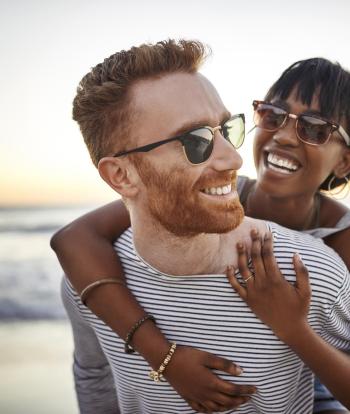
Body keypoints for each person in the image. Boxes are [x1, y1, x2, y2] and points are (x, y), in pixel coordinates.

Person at [53, 40, 350, 414]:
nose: (233, 157)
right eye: (273, 117)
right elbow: (73, 239)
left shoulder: (327, 260)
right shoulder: (224, 192)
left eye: (315, 128)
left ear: (344, 162)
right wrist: (163, 357)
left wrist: (293, 329)